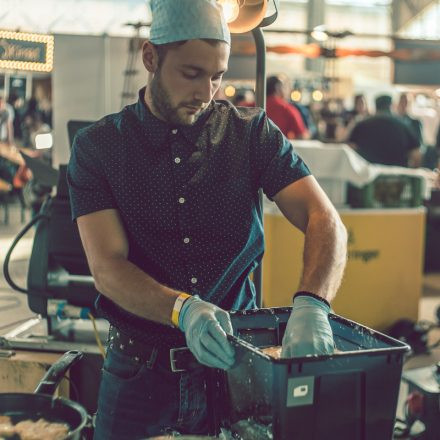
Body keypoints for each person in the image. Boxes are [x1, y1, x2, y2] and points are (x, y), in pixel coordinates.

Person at [67, 1, 347, 438]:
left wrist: (314, 302)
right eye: (191, 74)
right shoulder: (99, 148)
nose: (207, 92)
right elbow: (108, 268)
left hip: (236, 371)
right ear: (150, 58)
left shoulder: (252, 134)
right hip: (138, 377)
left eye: (218, 76)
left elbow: (323, 218)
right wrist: (183, 310)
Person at [349, 95, 421, 167]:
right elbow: (416, 155)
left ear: (376, 107)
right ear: (391, 106)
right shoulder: (403, 125)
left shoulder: (362, 125)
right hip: (398, 174)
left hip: (369, 173)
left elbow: (351, 148)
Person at [266, 75, 309, 140]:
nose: (289, 90)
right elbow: (302, 136)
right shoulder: (287, 109)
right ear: (278, 88)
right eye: (285, 87)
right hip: (279, 149)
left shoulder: (251, 106)